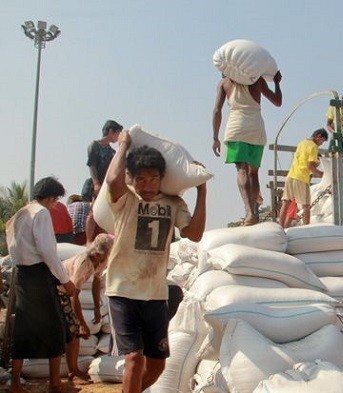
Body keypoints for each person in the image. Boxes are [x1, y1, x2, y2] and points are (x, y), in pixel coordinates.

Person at [105, 130, 207, 393]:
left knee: (158, 365)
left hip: (155, 294)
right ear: (133, 180)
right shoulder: (125, 199)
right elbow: (113, 178)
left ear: (162, 179)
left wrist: (202, 191)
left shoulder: (174, 203)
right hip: (123, 290)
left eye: (153, 179)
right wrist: (124, 143)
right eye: (141, 179)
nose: (148, 185)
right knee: (134, 358)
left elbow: (194, 234)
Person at [4, 176, 77, 393]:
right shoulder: (42, 213)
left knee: (24, 328)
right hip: (38, 275)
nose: (55, 204)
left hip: (22, 274)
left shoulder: (20, 214)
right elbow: (48, 252)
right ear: (51, 197)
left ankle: (15, 381)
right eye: (56, 200)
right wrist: (66, 280)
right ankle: (55, 382)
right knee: (55, 326)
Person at [212, 71, 283, 226]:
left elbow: (217, 111)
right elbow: (277, 101)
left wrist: (215, 137)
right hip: (256, 130)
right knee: (254, 173)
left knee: (242, 170)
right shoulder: (257, 80)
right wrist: (277, 82)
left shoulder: (224, 83)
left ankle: (249, 212)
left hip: (237, 129)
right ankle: (254, 213)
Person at [59, 233, 114, 382]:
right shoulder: (84, 263)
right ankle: (73, 370)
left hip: (66, 293)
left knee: (73, 332)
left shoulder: (101, 260)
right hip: (58, 291)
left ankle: (73, 370)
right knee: (74, 331)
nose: (103, 259)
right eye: (103, 255)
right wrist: (82, 324)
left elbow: (96, 282)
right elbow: (73, 295)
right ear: (96, 252)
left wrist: (97, 308)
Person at [278, 129, 328, 228]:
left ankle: (280, 227)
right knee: (306, 206)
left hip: (291, 176)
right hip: (301, 178)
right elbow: (310, 167)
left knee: (286, 203)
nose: (321, 144)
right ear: (319, 136)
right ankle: (306, 229)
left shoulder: (302, 142)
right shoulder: (313, 147)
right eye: (322, 141)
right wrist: (322, 174)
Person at [85, 120, 123, 242]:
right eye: (117, 133)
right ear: (111, 131)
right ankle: (88, 240)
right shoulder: (95, 146)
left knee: (108, 213)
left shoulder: (113, 152)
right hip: (97, 184)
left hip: (108, 186)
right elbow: (92, 165)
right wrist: (96, 183)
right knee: (93, 212)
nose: (118, 137)